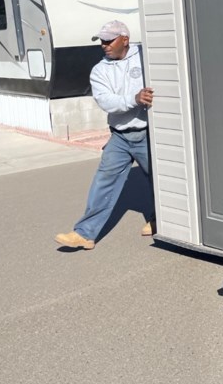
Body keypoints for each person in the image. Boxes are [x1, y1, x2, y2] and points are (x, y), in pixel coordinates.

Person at [54, 20, 156, 250]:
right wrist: (134, 98)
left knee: (159, 180)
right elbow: (106, 101)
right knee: (104, 182)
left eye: (110, 40)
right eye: (102, 41)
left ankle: (158, 219)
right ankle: (84, 234)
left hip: (149, 132)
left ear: (125, 39)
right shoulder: (100, 70)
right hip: (120, 136)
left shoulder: (146, 57)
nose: (104, 45)